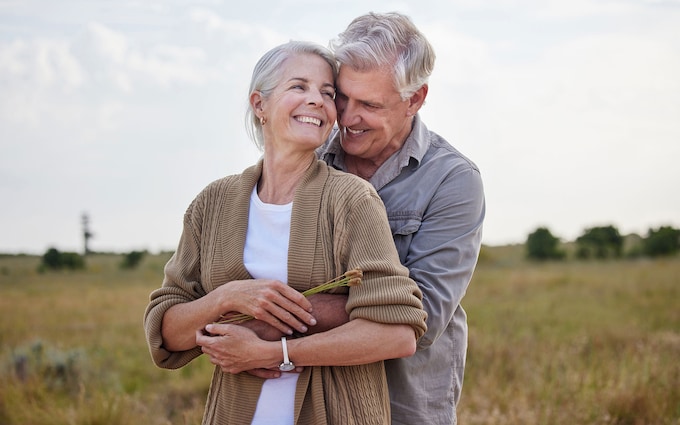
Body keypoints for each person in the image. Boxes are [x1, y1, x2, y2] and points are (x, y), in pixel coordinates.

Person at [143, 40, 427, 425]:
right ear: (259, 104)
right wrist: (229, 297)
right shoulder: (212, 203)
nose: (317, 100)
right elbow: (166, 333)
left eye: (328, 93)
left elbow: (397, 334)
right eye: (299, 87)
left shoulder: (351, 200)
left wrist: (271, 352)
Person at [316, 12, 486, 425]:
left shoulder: (453, 180)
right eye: (342, 97)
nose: (347, 118)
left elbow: (421, 318)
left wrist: (287, 313)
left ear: (415, 98)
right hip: (313, 400)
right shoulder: (309, 161)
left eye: (370, 105)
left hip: (403, 409)